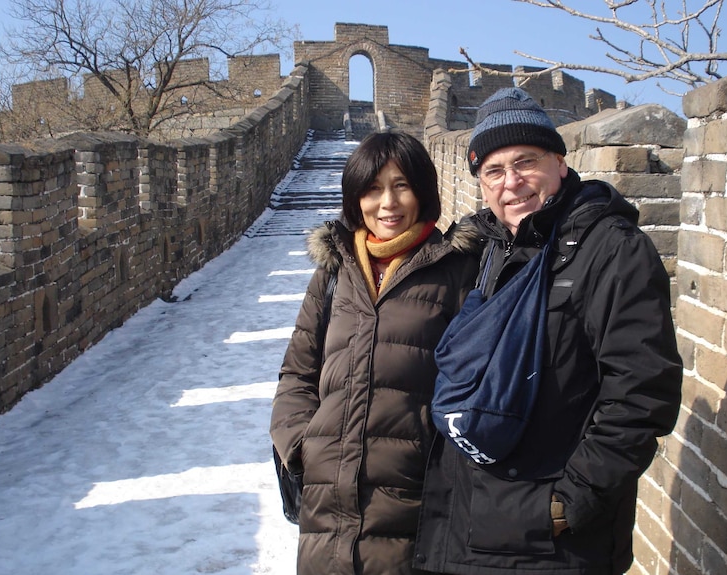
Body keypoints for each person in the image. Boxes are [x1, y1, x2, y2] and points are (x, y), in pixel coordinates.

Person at [412, 87, 683, 574]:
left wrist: (569, 503)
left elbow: (643, 391)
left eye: (526, 162)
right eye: (493, 171)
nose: (511, 182)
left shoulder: (610, 249)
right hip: (472, 527)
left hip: (550, 543)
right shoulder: (485, 249)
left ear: (560, 162)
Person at [270, 130, 481, 575]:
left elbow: (476, 386)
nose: (387, 203)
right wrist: (301, 449)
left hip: (414, 499)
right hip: (326, 502)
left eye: (401, 186)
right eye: (373, 188)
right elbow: (296, 373)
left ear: (423, 191)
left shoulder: (458, 272)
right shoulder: (333, 273)